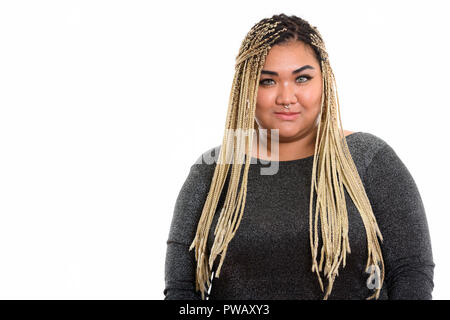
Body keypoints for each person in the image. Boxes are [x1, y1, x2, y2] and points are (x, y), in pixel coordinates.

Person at [164, 13, 434, 300]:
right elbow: (181, 290)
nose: (286, 97)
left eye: (302, 78)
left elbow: (411, 273)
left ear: (324, 80)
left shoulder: (369, 159)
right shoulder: (214, 169)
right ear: (246, 88)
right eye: (267, 81)